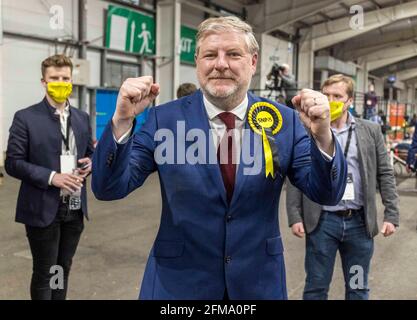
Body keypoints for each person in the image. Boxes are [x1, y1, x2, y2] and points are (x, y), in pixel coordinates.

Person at [92, 16, 347, 300]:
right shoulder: (164, 119)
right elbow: (109, 188)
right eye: (210, 55)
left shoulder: (284, 121)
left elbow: (327, 193)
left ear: (252, 62)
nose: (221, 64)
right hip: (178, 286)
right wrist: (122, 120)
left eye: (233, 54)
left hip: (257, 283)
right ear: (198, 62)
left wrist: (322, 135)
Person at [286, 74, 399, 300]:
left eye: (337, 96)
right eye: (326, 95)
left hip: (358, 224)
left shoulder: (370, 131)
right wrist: (294, 215)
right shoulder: (308, 130)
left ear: (349, 101)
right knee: (316, 286)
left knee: (357, 287)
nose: (330, 100)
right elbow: (296, 175)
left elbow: (385, 172)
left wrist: (391, 214)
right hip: (322, 223)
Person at [5, 54, 94, 300]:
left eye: (65, 78)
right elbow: (12, 163)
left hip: (74, 206)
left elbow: (89, 152)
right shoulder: (26, 118)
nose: (60, 82)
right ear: (43, 81)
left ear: (71, 80)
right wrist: (52, 177)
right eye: (54, 78)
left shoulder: (81, 118)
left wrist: (91, 163)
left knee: (62, 269)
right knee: (45, 271)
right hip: (43, 207)